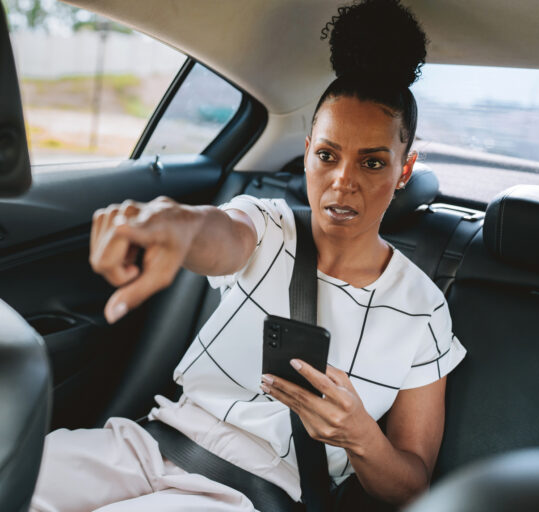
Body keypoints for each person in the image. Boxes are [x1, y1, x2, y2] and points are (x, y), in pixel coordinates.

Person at [31, 0, 466, 510]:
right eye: (327, 155)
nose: (343, 181)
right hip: (149, 443)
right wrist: (172, 223)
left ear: (405, 169)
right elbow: (217, 233)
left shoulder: (424, 308)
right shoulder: (269, 224)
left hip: (250, 492)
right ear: (306, 151)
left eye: (372, 162)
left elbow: (412, 486)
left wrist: (359, 436)